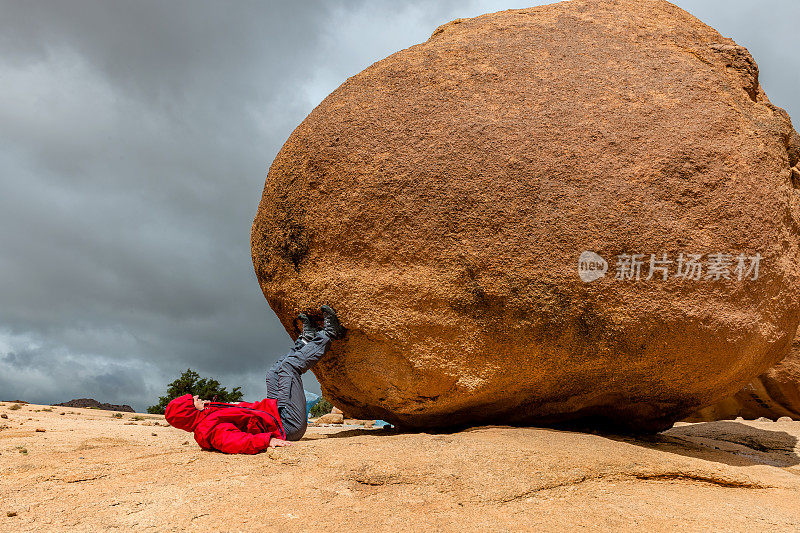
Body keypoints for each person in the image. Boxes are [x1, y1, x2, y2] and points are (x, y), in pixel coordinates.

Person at [164, 305, 346, 454]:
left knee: (273, 373)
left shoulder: (207, 415)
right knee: (289, 368)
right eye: (193, 400)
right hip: (288, 425)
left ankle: (306, 340)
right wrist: (268, 440)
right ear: (189, 411)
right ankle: (329, 334)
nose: (197, 397)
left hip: (276, 415)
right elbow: (234, 442)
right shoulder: (208, 429)